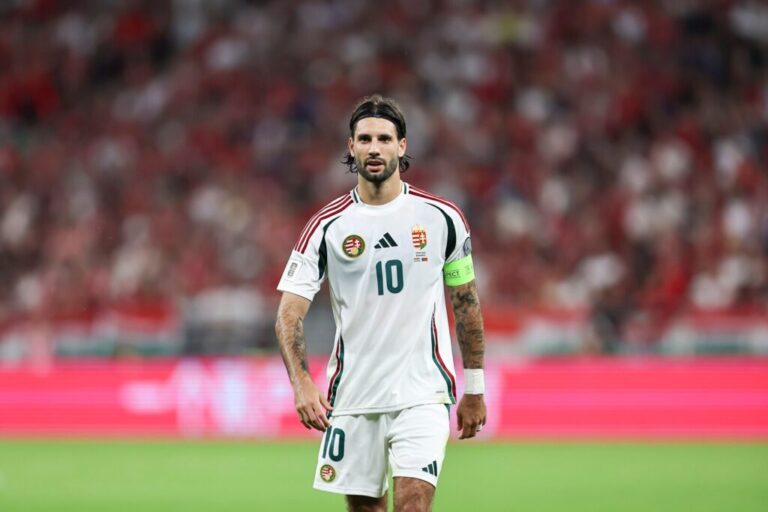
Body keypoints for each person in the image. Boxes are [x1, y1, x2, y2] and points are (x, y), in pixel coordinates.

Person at [275, 94, 487, 512]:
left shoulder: (442, 218)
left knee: (412, 505)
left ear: (402, 146)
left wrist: (475, 388)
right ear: (351, 147)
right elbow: (288, 314)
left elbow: (466, 304)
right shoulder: (326, 227)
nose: (375, 148)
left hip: (422, 393)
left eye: (385, 139)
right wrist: (301, 384)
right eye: (365, 139)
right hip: (353, 396)